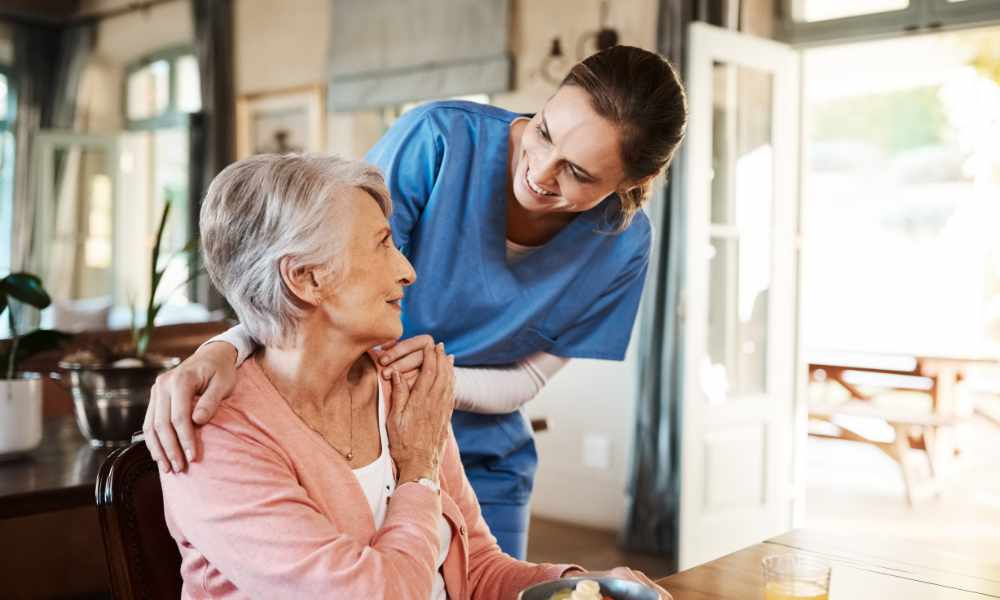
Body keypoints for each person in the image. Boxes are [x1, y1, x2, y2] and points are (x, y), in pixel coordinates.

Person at [144, 45, 688, 559]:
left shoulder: (623, 246)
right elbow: (313, 270)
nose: (540, 172)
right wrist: (226, 347)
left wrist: (431, 393)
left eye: (578, 173)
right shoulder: (439, 141)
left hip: (481, 455)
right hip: (355, 434)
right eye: (543, 132)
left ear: (632, 183)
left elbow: (529, 381)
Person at [158, 153, 672, 599]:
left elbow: (477, 569)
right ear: (306, 279)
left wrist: (582, 587)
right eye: (382, 244)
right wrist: (418, 472)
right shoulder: (215, 437)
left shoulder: (401, 390)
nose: (407, 269)